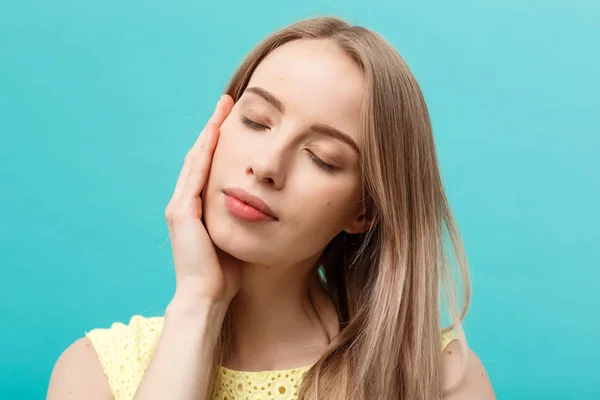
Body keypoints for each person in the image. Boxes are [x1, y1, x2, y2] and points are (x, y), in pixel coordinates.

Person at [47, 16, 495, 400]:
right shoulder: (95, 373)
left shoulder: (441, 379)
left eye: (322, 157)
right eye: (255, 121)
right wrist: (198, 305)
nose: (265, 166)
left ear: (364, 212)